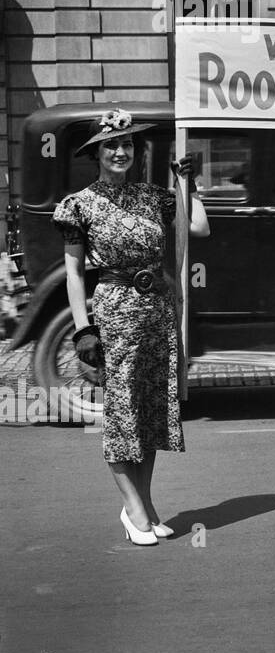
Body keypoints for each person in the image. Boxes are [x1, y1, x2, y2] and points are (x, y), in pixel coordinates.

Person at [54, 109, 211, 545]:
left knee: (151, 411)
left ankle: (143, 505)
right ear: (97, 154)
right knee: (123, 414)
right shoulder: (79, 205)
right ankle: (134, 512)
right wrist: (83, 329)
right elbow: (72, 274)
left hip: (157, 312)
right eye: (111, 146)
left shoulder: (154, 196)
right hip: (114, 311)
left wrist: (188, 184)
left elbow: (198, 226)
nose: (120, 152)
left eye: (127, 145)